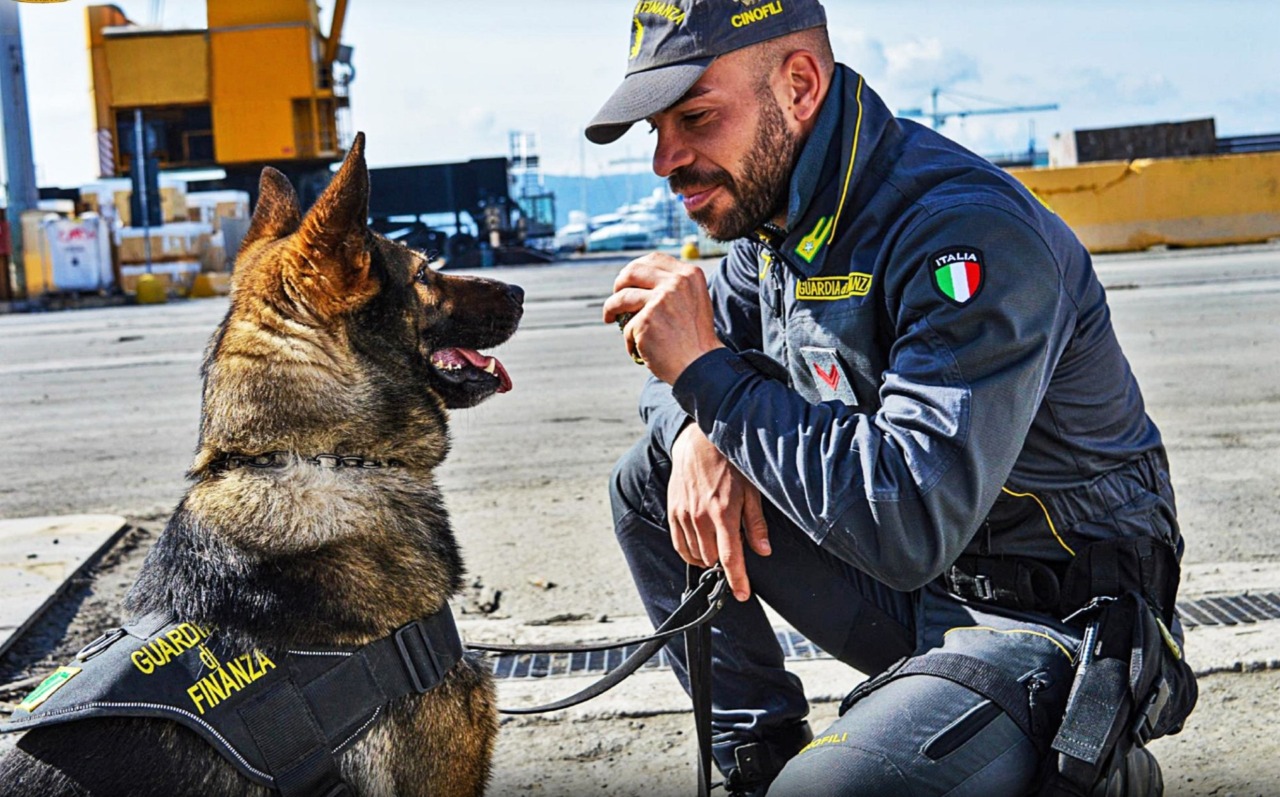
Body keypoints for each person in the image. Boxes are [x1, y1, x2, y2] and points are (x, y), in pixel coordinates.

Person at [590, 1, 1197, 795]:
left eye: (696, 118)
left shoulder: (960, 231)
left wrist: (710, 381)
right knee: (652, 478)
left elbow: (907, 521)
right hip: (925, 594)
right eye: (656, 129)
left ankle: (1092, 767)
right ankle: (757, 764)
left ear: (799, 85)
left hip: (1055, 623)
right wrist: (700, 422)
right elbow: (678, 379)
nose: (665, 159)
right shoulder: (778, 225)